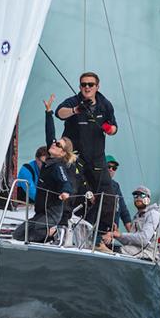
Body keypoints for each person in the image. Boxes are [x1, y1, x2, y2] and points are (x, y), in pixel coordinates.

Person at [55, 72, 117, 237]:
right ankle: (62, 228)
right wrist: (76, 110)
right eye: (84, 84)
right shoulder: (74, 101)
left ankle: (103, 236)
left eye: (90, 84)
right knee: (71, 190)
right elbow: (59, 112)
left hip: (97, 158)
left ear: (97, 86)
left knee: (108, 196)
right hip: (76, 156)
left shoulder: (105, 105)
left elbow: (114, 128)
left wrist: (108, 128)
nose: (87, 87)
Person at [13, 95, 76, 243]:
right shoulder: (50, 159)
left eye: (58, 145)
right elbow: (50, 134)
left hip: (51, 214)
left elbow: (65, 181)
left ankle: (52, 233)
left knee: (32, 235)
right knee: (18, 235)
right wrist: (49, 113)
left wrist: (66, 192)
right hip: (40, 212)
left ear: (62, 153)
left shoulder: (58, 166)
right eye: (55, 143)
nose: (54, 144)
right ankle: (48, 233)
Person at [102, 185, 160, 261]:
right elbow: (131, 241)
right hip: (136, 250)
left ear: (148, 199)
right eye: (136, 195)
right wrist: (116, 234)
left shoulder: (153, 214)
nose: (138, 198)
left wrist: (120, 235)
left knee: (114, 251)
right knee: (108, 247)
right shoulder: (137, 217)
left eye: (142, 195)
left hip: (149, 253)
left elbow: (144, 239)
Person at [106, 154, 132, 232]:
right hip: (96, 231)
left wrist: (133, 235)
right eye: (108, 166)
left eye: (114, 168)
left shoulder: (115, 186)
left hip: (112, 233)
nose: (111, 169)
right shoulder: (95, 184)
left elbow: (123, 211)